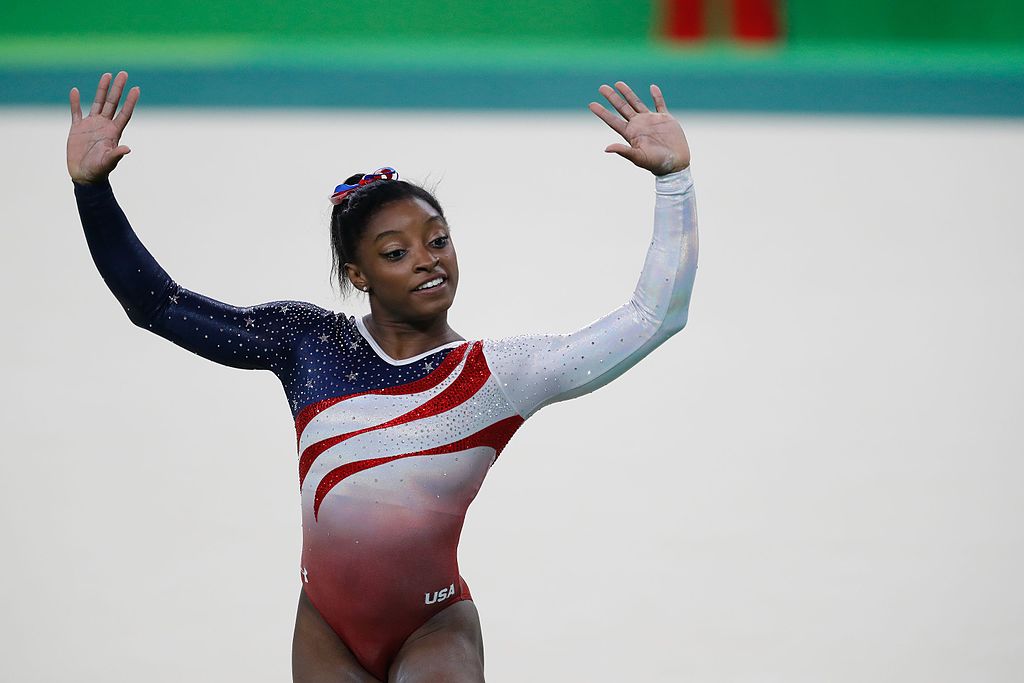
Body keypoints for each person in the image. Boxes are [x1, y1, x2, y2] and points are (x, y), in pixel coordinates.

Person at [68, 71, 698, 682]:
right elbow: (158, 305)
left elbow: (653, 317)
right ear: (359, 274)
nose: (428, 261)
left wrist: (674, 183)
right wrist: (92, 193)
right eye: (397, 253)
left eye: (439, 240)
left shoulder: (496, 375)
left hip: (433, 628)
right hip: (324, 631)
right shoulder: (305, 342)